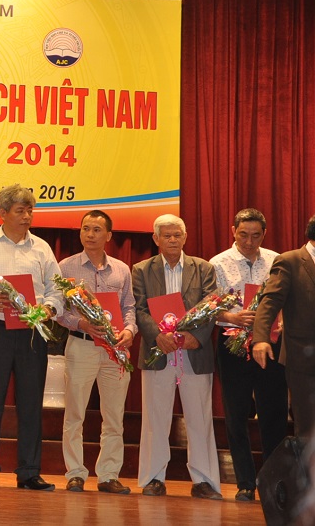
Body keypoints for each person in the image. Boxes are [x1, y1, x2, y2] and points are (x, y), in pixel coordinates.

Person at [0, 183, 62, 491]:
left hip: (33, 333)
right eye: (20, 211)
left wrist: (49, 308)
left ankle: (29, 471)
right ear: (3, 213)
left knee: (31, 403)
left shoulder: (42, 248)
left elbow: (56, 288)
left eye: (30, 210)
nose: (27, 216)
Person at [132, 214, 222, 499]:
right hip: (158, 351)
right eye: (166, 235)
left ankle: (204, 481)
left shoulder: (204, 268)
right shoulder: (141, 270)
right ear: (156, 239)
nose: (172, 240)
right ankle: (153, 478)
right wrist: (156, 335)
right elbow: (138, 308)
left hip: (194, 351)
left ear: (185, 237)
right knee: (155, 419)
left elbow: (212, 304)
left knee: (200, 418)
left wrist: (197, 336)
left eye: (177, 235)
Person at [56, 210, 136, 495]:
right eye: (86, 229)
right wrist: (81, 323)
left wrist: (130, 331)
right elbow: (58, 310)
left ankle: (108, 475)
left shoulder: (122, 269)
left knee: (114, 415)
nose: (90, 234)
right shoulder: (66, 267)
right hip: (81, 345)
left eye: (97, 230)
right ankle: (75, 473)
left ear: (109, 236)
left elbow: (129, 307)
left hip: (114, 348)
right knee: (74, 414)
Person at [210, 208, 288, 501]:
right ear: (233, 231)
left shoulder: (277, 261)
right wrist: (231, 316)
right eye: (243, 234)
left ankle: (273, 482)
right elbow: (208, 306)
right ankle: (245, 482)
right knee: (236, 413)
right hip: (231, 343)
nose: (249, 241)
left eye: (256, 235)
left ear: (264, 234)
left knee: (274, 412)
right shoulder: (217, 263)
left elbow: (287, 300)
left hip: (270, 343)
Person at [253, 213, 315, 438]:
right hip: (303, 357)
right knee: (308, 426)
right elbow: (269, 302)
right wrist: (260, 339)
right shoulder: (290, 261)